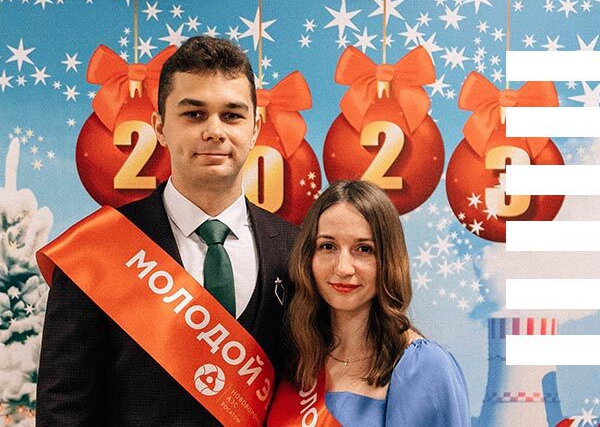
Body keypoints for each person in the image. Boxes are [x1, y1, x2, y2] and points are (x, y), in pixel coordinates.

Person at [36, 36, 297, 426]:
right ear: (159, 127)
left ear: (256, 127)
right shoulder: (98, 251)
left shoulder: (297, 248)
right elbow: (63, 410)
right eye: (194, 114)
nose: (215, 131)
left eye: (232, 115)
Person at [268, 180, 471, 426]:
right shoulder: (299, 358)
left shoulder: (422, 366)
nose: (343, 268)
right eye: (328, 246)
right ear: (308, 256)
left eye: (364, 249)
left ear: (388, 259)